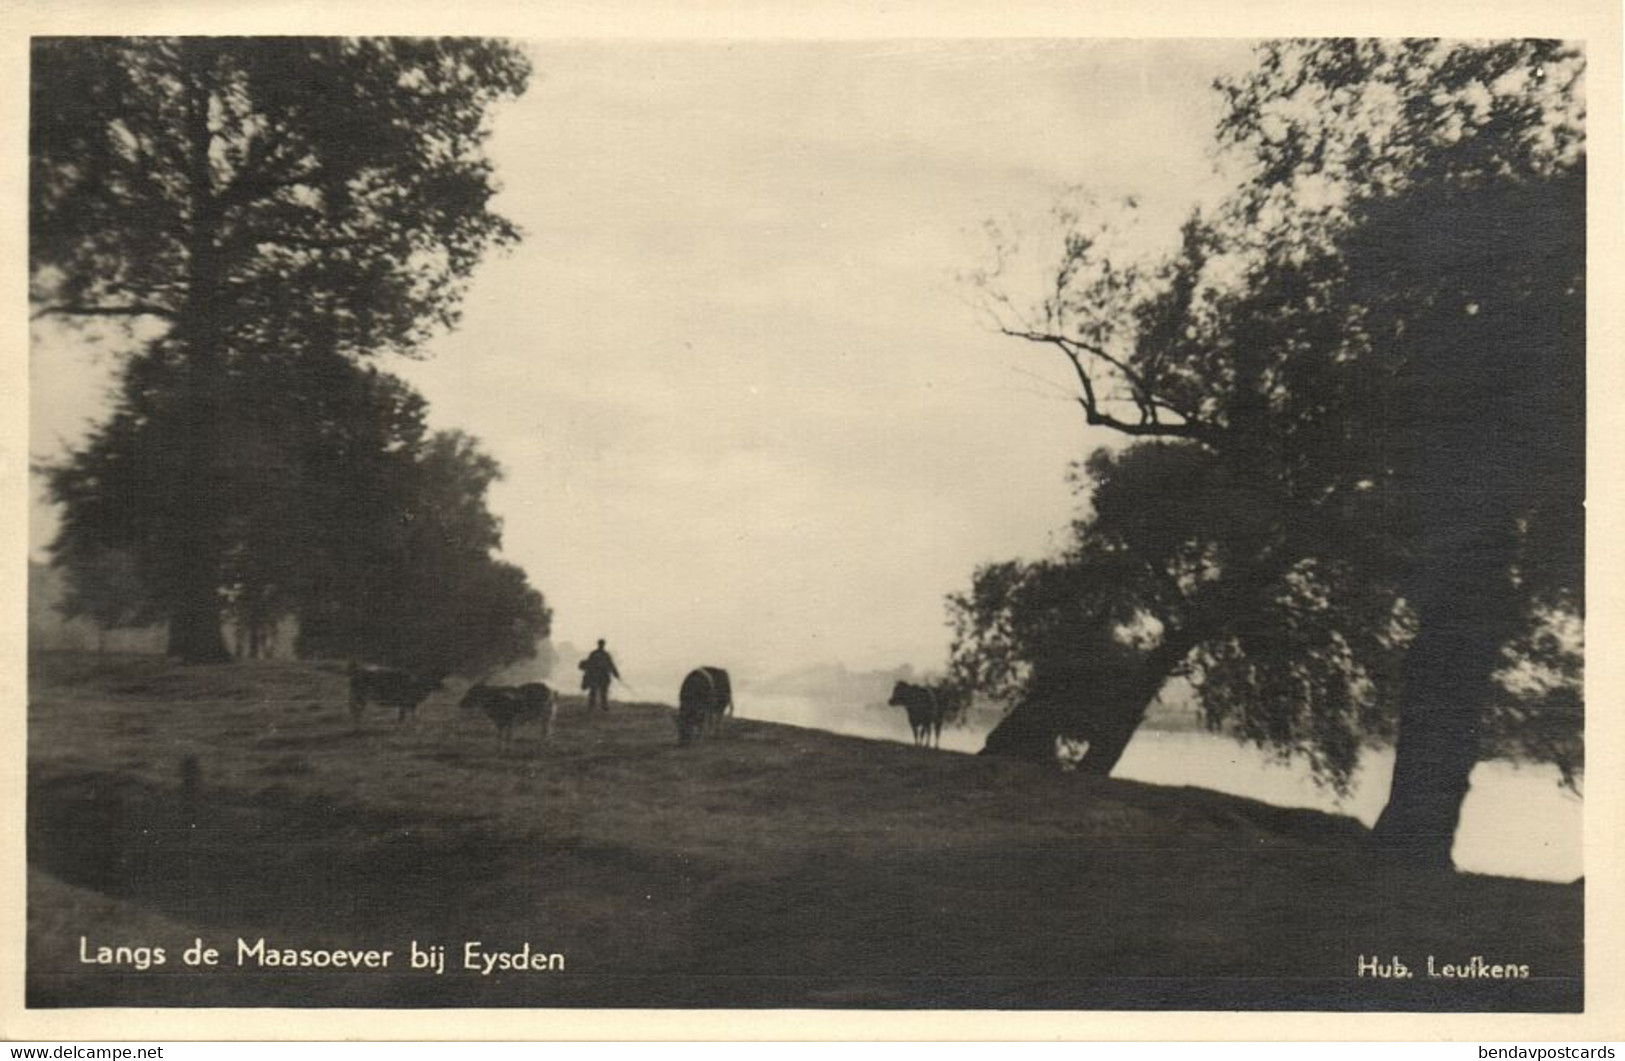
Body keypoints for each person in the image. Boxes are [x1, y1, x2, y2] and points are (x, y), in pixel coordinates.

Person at [579, 639, 620, 712]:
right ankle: (597, 706)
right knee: (598, 692)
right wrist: (615, 674)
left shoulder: (596, 654)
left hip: (599, 675)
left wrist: (616, 674)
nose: (602, 645)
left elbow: (610, 665)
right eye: (601, 644)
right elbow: (610, 665)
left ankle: (599, 706)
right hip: (599, 675)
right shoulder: (603, 654)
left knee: (599, 692)